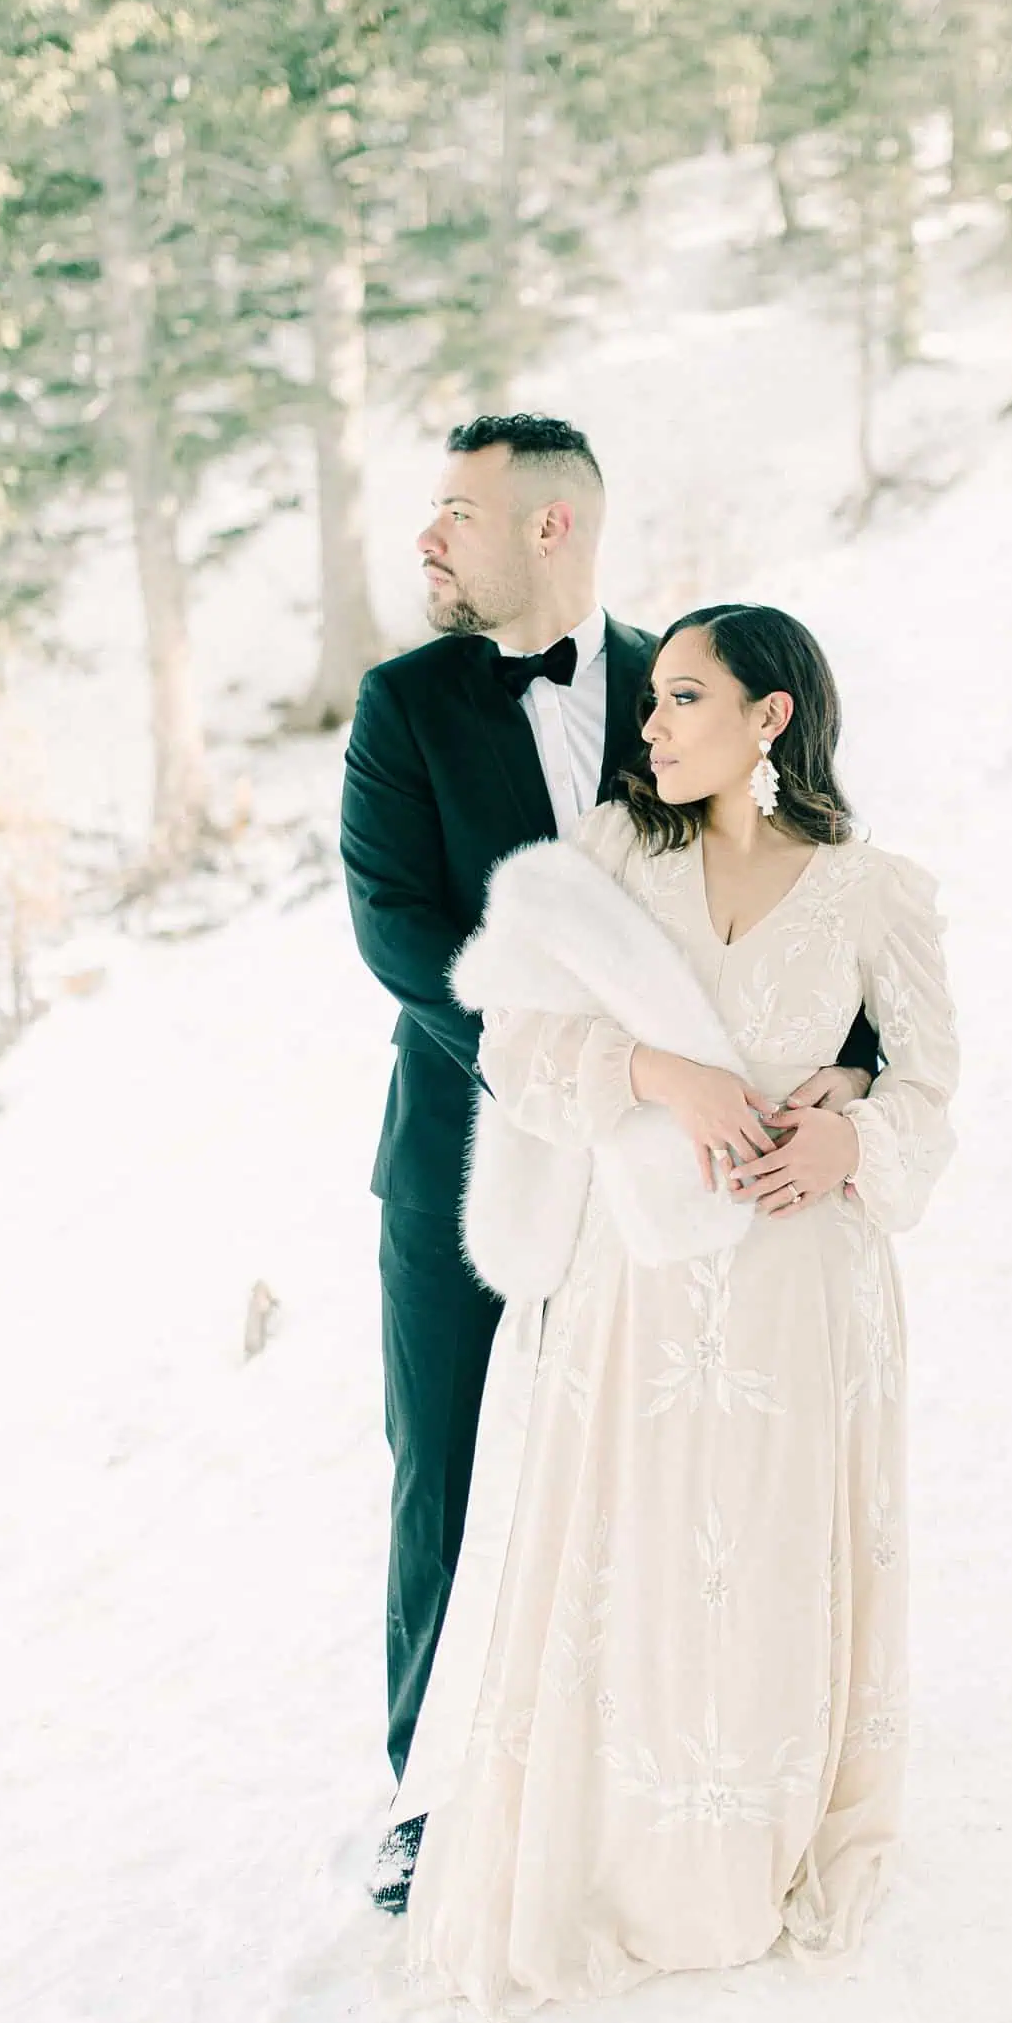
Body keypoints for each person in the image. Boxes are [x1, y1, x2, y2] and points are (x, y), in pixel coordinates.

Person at [388, 602, 961, 2023]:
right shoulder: (606, 864)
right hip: (634, 1295)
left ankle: (755, 1846)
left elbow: (928, 1095)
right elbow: (518, 1048)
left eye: (684, 698)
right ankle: (629, 1861)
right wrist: (659, 1073)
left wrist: (856, 1143)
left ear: (769, 718)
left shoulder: (872, 889)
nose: (651, 725)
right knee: (632, 1562)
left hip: (801, 1291)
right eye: (649, 704)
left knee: (768, 1560)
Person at [338, 418, 882, 1873]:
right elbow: (398, 931)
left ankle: (625, 1765)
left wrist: (846, 1078)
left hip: (691, 1163)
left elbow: (807, 899)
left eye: (459, 509)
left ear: (551, 529)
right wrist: (572, 1081)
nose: (430, 536)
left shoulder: (690, 676)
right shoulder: (402, 705)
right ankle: (429, 1793)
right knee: (449, 1453)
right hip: (473, 1144)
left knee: (654, 1456)